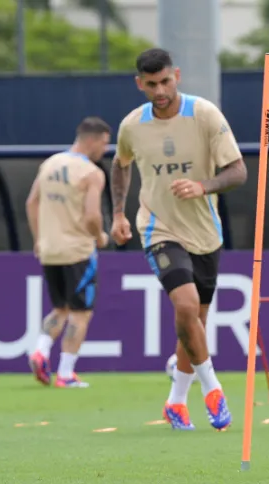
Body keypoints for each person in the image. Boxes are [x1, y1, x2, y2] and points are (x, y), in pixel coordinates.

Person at [109, 48, 247, 431]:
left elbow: (237, 171)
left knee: (194, 323)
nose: (160, 90)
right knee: (185, 307)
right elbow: (120, 166)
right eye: (151, 84)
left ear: (177, 76)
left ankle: (175, 402)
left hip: (205, 232)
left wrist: (204, 186)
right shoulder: (132, 126)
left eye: (165, 81)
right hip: (158, 229)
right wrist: (119, 213)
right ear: (140, 84)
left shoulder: (204, 115)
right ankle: (213, 389)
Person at [25, 117, 112, 388]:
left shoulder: (49, 163)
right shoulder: (91, 173)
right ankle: (65, 373)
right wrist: (99, 236)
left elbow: (32, 202)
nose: (104, 150)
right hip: (78, 250)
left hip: (50, 249)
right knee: (80, 313)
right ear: (92, 140)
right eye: (104, 143)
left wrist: (39, 239)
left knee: (59, 308)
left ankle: (39, 350)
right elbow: (92, 215)